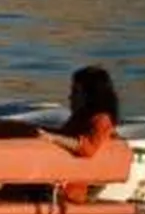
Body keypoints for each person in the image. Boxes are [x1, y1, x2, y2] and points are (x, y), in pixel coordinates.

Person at [40, 65, 121, 204]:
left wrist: (52, 138)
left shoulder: (102, 120)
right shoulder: (80, 117)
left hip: (72, 189)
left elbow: (88, 148)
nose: (70, 97)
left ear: (91, 95)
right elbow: (65, 135)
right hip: (61, 178)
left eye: (76, 92)